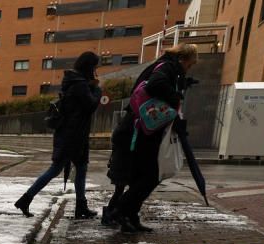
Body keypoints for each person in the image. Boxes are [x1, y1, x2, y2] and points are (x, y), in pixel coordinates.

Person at [103, 44, 198, 233]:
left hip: (139, 128)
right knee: (151, 175)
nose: (188, 69)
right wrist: (176, 96)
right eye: (189, 65)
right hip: (140, 130)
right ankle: (121, 211)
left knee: (142, 175)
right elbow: (156, 84)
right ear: (182, 59)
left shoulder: (162, 66)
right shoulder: (167, 67)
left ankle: (129, 215)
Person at [15, 52, 102, 219]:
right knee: (56, 169)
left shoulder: (74, 82)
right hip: (72, 136)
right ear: (89, 67)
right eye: (95, 67)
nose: (96, 70)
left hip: (73, 135)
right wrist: (97, 90)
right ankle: (26, 199)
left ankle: (80, 206)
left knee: (80, 169)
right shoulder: (79, 85)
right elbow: (90, 105)